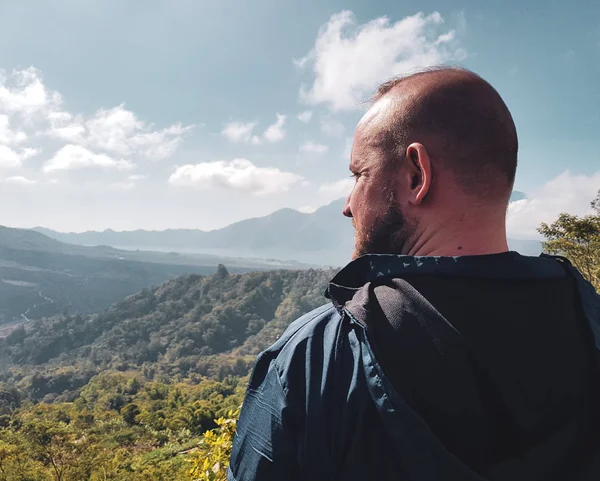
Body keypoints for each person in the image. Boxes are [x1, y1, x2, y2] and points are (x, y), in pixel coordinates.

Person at [227, 67, 600, 481]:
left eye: (359, 174)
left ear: (417, 175)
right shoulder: (590, 316)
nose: (348, 205)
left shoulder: (318, 357)